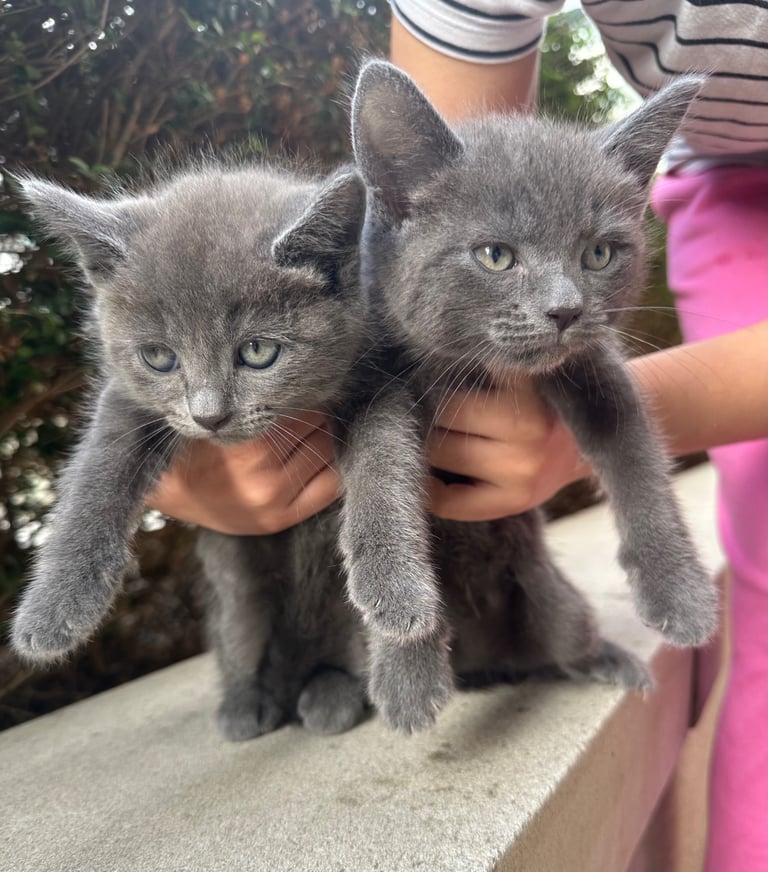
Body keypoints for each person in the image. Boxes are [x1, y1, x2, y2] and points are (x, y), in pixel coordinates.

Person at [149, 5, 768, 869]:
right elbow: (406, 224)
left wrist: (596, 431)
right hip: (737, 194)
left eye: (599, 258)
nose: (563, 302)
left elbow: (612, 405)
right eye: (501, 257)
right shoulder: (416, 228)